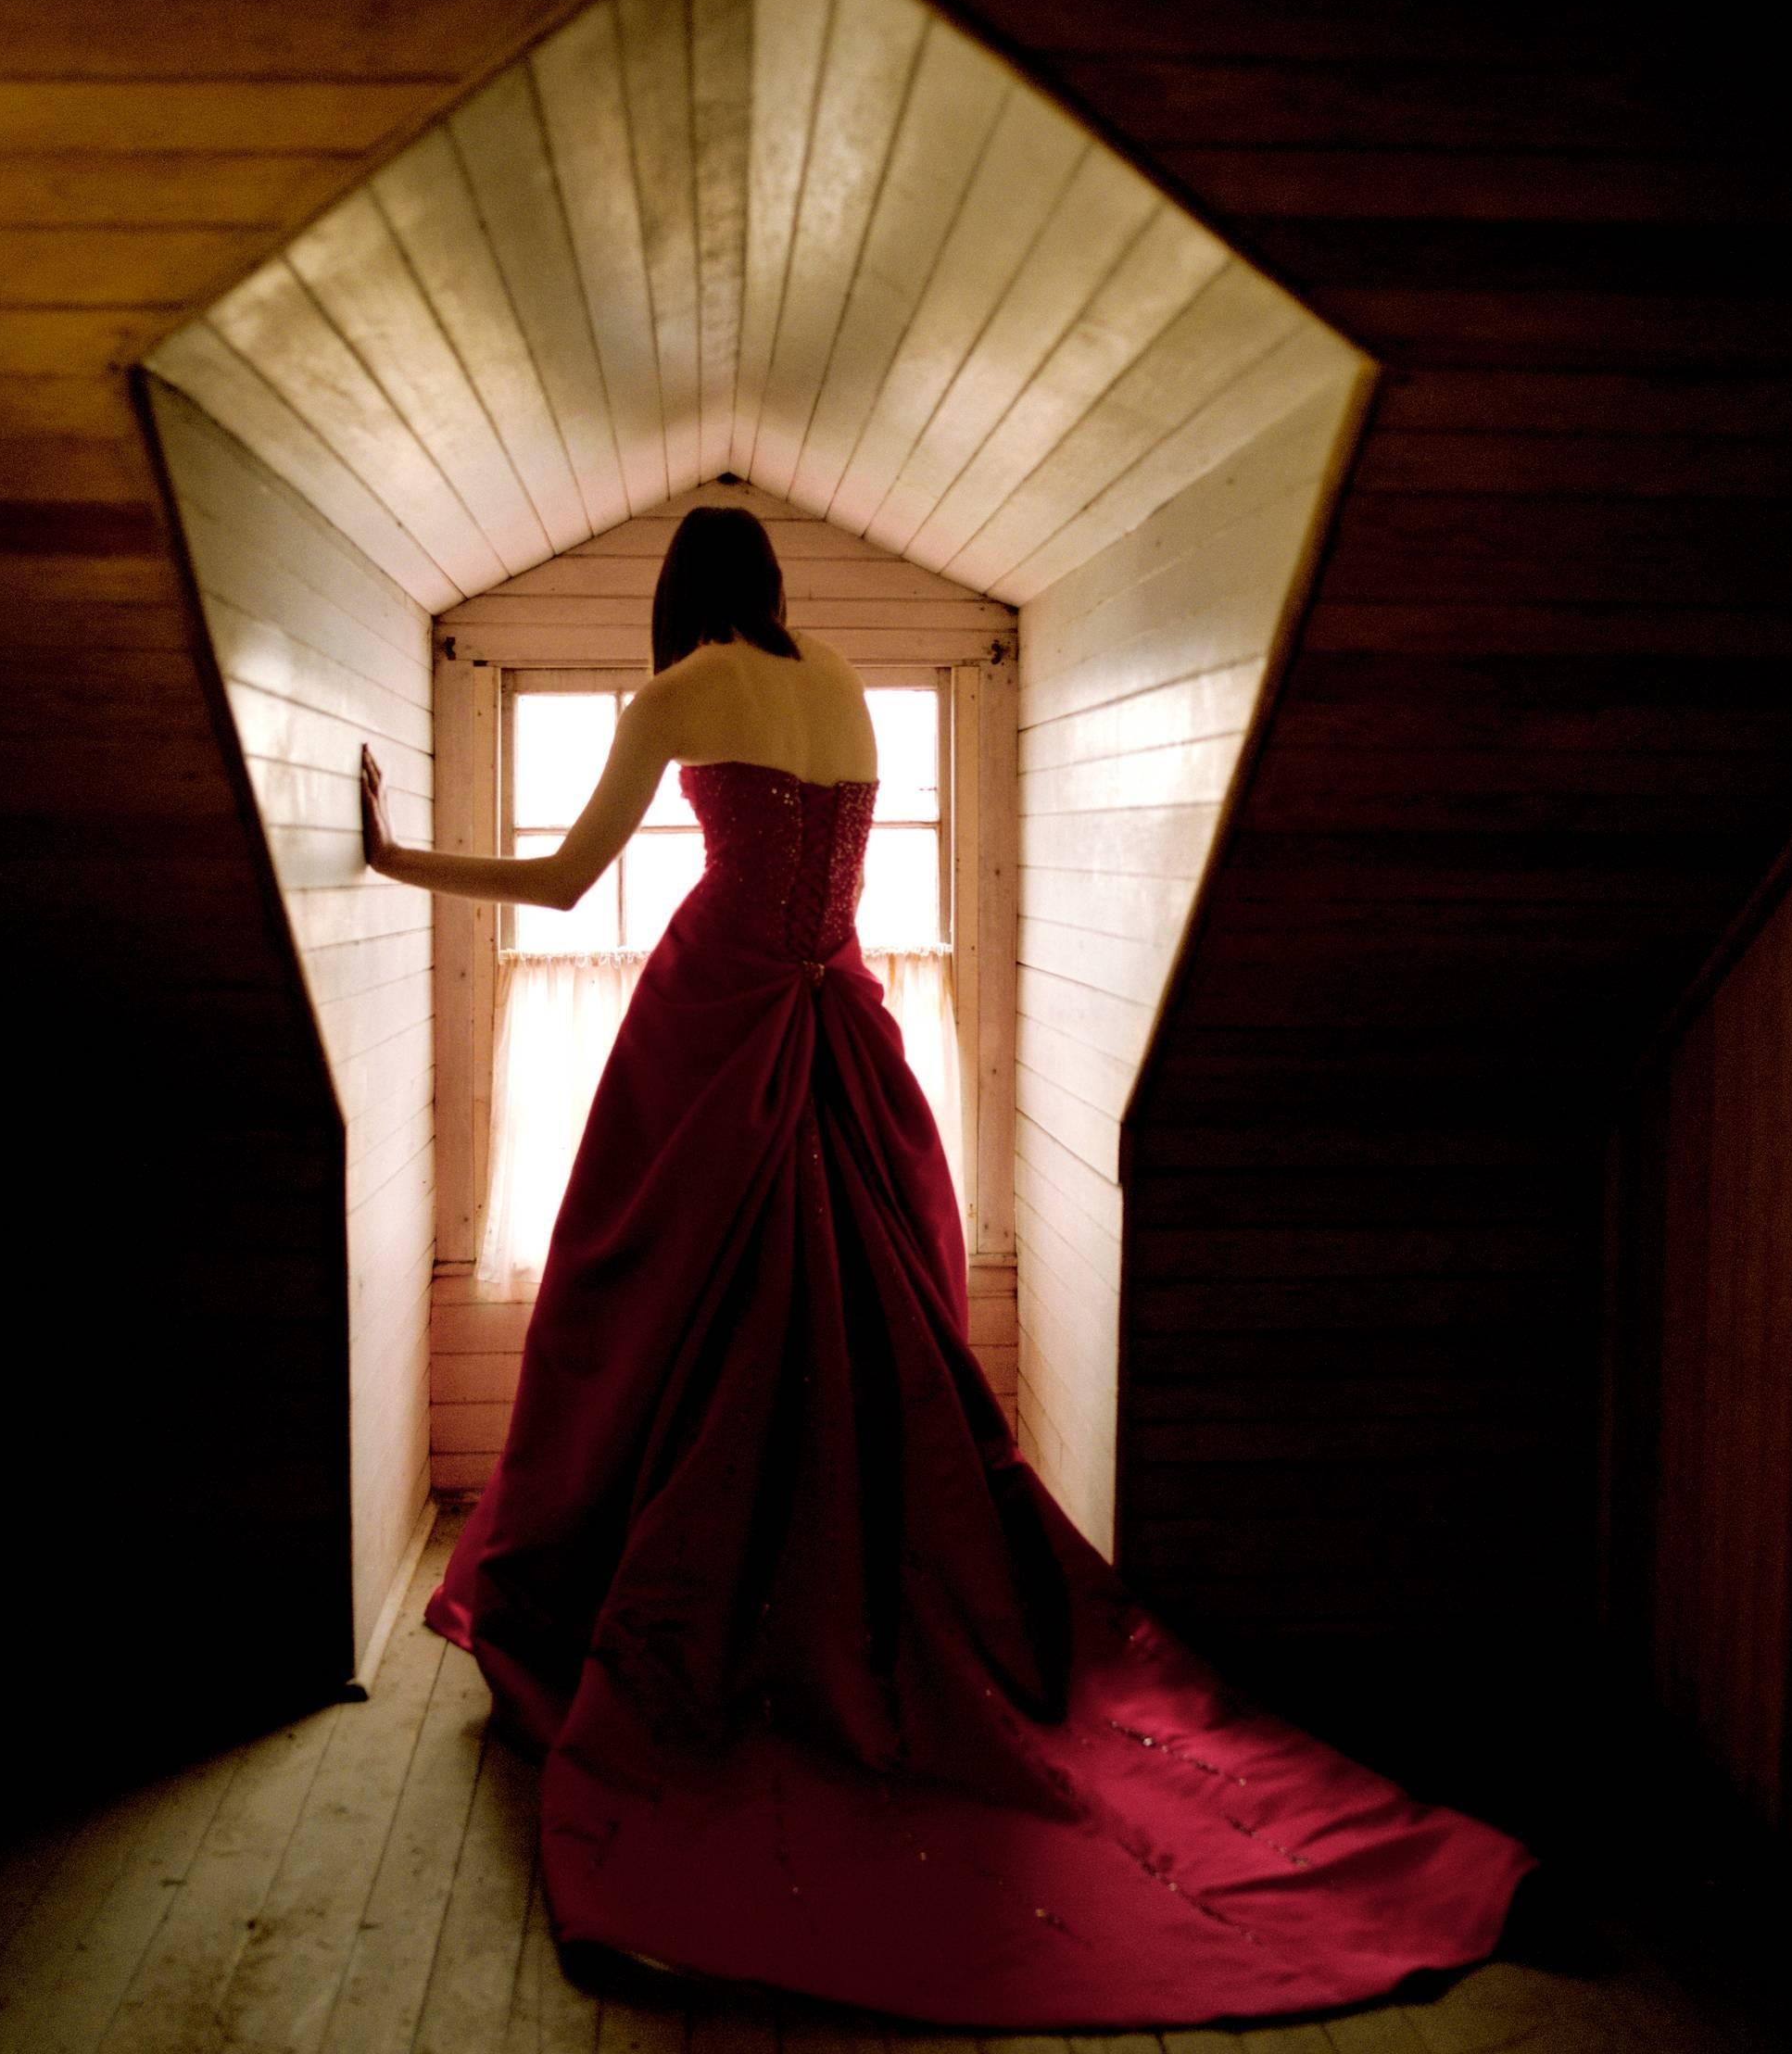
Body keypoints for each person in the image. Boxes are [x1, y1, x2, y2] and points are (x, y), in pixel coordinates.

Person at [358, 505, 1545, 2033]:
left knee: (631, 1304)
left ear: (677, 598)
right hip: (835, 1017)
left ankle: (652, 1599)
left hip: (720, 1021)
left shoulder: (676, 693)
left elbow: (573, 884)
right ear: (773, 590)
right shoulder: (842, 678)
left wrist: (395, 858)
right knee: (851, 1322)